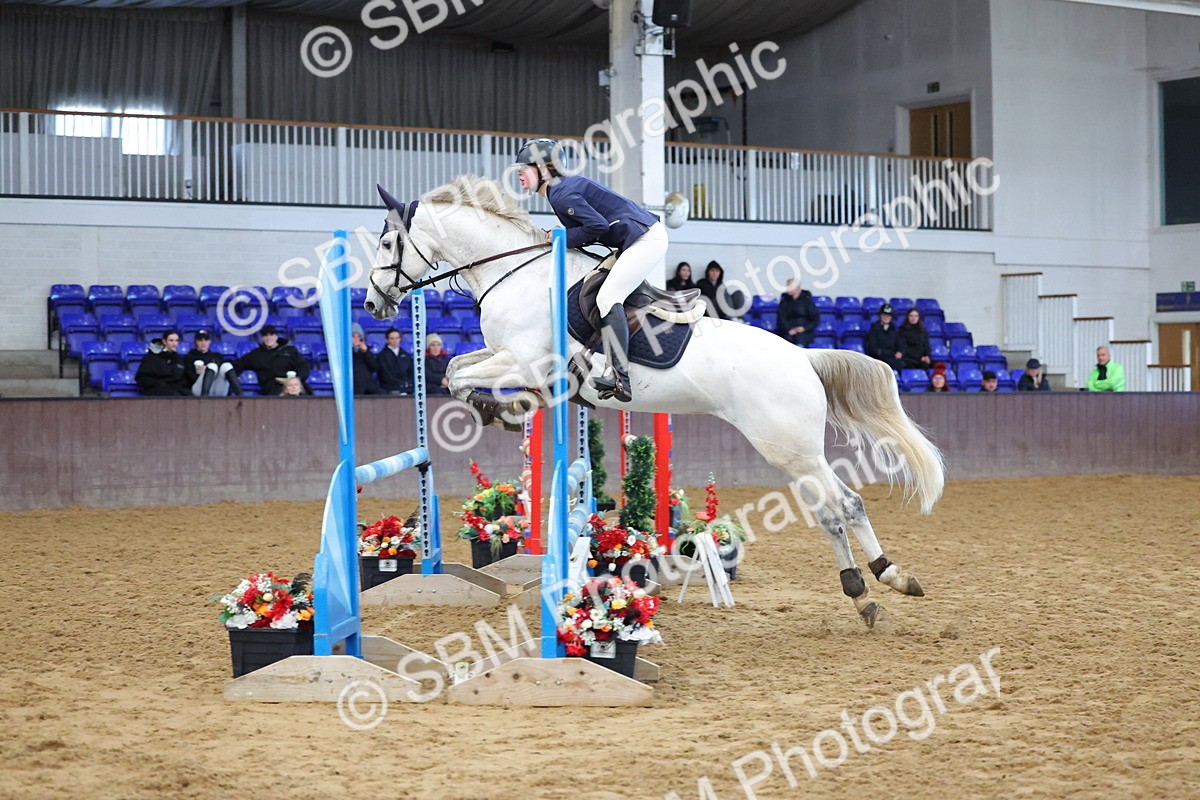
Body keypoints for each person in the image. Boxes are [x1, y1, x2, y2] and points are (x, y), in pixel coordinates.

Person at [515, 137, 666, 402]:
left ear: (544, 169)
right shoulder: (560, 191)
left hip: (645, 239)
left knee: (607, 298)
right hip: (635, 238)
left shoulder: (561, 193)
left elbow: (598, 227)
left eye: (524, 167)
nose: (518, 173)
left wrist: (561, 236)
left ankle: (620, 377)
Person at [232, 324, 309, 397]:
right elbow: (239, 364)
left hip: (292, 381)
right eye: (265, 335)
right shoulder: (256, 354)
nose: (268, 338)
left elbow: (303, 366)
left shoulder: (290, 350)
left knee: (302, 390)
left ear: (276, 336)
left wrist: (296, 379)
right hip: (273, 386)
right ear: (262, 338)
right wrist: (234, 376)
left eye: (271, 335)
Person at [182, 330, 241, 397]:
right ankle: (204, 398)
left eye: (206, 340)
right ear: (196, 342)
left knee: (226, 365)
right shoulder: (189, 357)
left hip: (217, 388)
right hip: (198, 389)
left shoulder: (217, 356)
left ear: (209, 341)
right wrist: (202, 372)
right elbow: (188, 378)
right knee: (212, 366)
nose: (203, 343)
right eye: (200, 340)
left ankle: (240, 397)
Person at [135, 329, 191, 396]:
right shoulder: (152, 357)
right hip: (157, 392)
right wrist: (159, 384)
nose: (174, 344)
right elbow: (142, 378)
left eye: (176, 340)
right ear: (164, 341)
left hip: (177, 391)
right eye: (171, 340)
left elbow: (183, 378)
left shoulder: (179, 359)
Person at [775, 278, 820, 346]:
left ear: (797, 287)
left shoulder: (807, 301)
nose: (788, 289)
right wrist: (789, 329)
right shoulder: (784, 302)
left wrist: (804, 328)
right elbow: (781, 319)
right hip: (788, 333)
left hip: (805, 333)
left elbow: (815, 319)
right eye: (787, 286)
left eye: (790, 287)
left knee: (801, 340)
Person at [865, 304, 904, 370]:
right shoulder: (874, 328)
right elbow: (872, 348)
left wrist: (900, 352)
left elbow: (899, 343)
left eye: (888, 315)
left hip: (892, 359)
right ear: (880, 315)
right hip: (879, 358)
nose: (886, 317)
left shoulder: (893, 328)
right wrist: (890, 353)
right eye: (884, 315)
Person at [377, 327, 414, 395]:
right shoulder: (381, 356)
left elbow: (411, 372)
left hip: (407, 389)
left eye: (397, 338)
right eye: (392, 338)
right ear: (387, 340)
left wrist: (407, 383)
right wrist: (400, 384)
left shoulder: (406, 355)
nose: (395, 340)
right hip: (390, 389)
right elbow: (385, 375)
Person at [350, 323, 383, 396]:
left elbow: (374, 367)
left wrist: (365, 352)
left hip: (368, 385)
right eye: (353, 336)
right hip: (353, 385)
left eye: (359, 336)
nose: (356, 339)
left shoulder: (366, 351)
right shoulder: (346, 352)